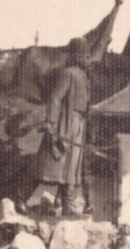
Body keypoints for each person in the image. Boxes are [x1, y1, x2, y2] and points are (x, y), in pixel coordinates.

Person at [26, 38, 91, 217]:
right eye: (85, 55)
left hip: (78, 124)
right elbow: (55, 98)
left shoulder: (83, 77)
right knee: (47, 165)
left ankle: (68, 205)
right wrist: (51, 122)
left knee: (72, 167)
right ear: (76, 55)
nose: (88, 59)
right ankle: (21, 197)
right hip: (64, 124)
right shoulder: (68, 74)